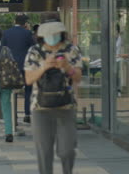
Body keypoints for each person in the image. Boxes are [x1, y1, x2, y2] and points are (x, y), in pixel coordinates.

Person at [24, 14, 82, 174]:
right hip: (40, 107)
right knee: (44, 153)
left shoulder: (71, 49)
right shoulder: (34, 51)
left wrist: (67, 67)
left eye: (55, 32)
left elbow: (78, 77)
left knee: (67, 150)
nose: (52, 36)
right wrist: (43, 67)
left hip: (66, 106)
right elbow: (28, 79)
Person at [2, 14, 35, 123]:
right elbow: (33, 48)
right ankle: (27, 114)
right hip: (25, 66)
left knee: (12, 90)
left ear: (14, 21)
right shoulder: (28, 33)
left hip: (10, 67)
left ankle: (13, 116)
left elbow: (3, 49)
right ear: (25, 24)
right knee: (28, 90)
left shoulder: (6, 33)